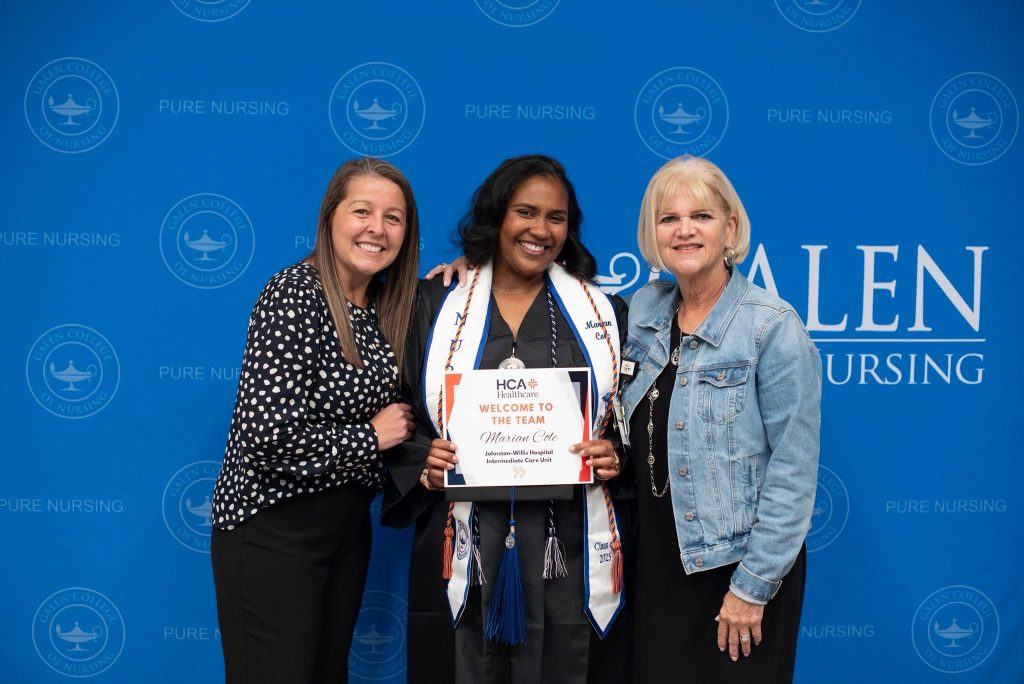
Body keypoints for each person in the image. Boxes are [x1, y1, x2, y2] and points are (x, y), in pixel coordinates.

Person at [383, 154, 634, 684]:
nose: (540, 230)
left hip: (568, 545)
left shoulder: (605, 315)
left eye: (556, 217)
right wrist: (423, 464)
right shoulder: (436, 304)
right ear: (497, 215)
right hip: (464, 541)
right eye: (525, 212)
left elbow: (631, 422)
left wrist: (616, 453)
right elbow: (398, 412)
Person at [210, 157, 418, 683]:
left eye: (393, 218)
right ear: (330, 218)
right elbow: (266, 437)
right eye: (362, 211)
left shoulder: (384, 307)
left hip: (346, 530)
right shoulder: (294, 293)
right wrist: (370, 437)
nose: (377, 228)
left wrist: (462, 270)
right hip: (275, 529)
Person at [619, 155, 821, 683]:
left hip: (735, 572)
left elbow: (794, 471)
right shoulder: (641, 312)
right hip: (655, 566)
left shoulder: (771, 327)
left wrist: (752, 587)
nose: (684, 230)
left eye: (701, 216)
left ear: (730, 228)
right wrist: (472, 272)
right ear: (653, 233)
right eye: (668, 218)